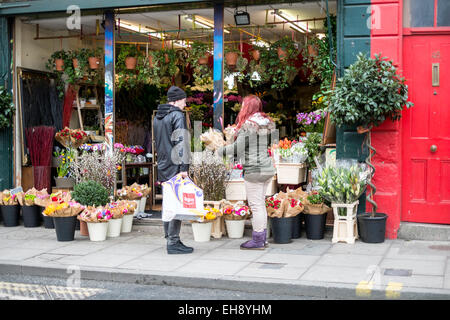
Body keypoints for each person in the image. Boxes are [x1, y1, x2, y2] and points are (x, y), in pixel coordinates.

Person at [217, 95, 276, 250]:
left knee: (256, 205)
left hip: (255, 169)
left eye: (243, 105)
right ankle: (262, 239)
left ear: (247, 107)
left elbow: (238, 148)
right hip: (267, 168)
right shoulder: (266, 125)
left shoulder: (248, 126)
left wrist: (219, 150)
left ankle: (257, 240)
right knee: (260, 204)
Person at [153, 86, 193, 254]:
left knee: (168, 202)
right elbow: (181, 142)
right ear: (176, 100)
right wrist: (184, 167)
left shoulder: (158, 117)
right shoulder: (177, 115)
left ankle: (168, 236)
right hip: (176, 165)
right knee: (176, 202)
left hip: (163, 164)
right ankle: (173, 241)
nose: (185, 103)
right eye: (184, 100)